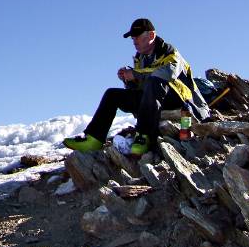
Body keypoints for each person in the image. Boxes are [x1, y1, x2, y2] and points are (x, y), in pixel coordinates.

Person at [63, 18, 210, 155]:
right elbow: (141, 91)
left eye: (137, 36)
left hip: (183, 101)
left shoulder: (171, 53)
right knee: (112, 94)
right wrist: (129, 81)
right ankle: (93, 139)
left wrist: (136, 74)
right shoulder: (141, 59)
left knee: (155, 81)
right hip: (156, 100)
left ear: (151, 35)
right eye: (133, 38)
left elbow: (166, 75)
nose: (134, 41)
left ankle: (144, 135)